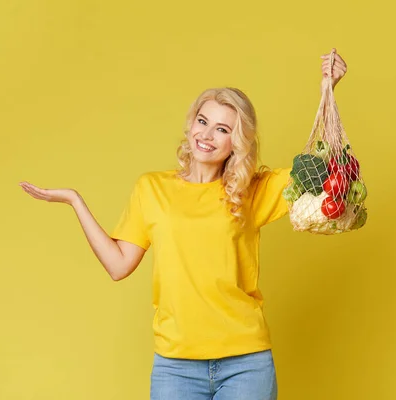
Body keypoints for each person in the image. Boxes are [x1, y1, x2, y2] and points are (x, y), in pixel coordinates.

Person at [19, 49, 348, 400]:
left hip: (246, 362)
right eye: (202, 121)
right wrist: (75, 201)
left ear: (237, 142)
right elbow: (118, 266)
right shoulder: (152, 188)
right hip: (175, 366)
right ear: (191, 123)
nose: (206, 135)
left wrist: (329, 90)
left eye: (222, 129)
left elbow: (323, 173)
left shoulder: (251, 189)